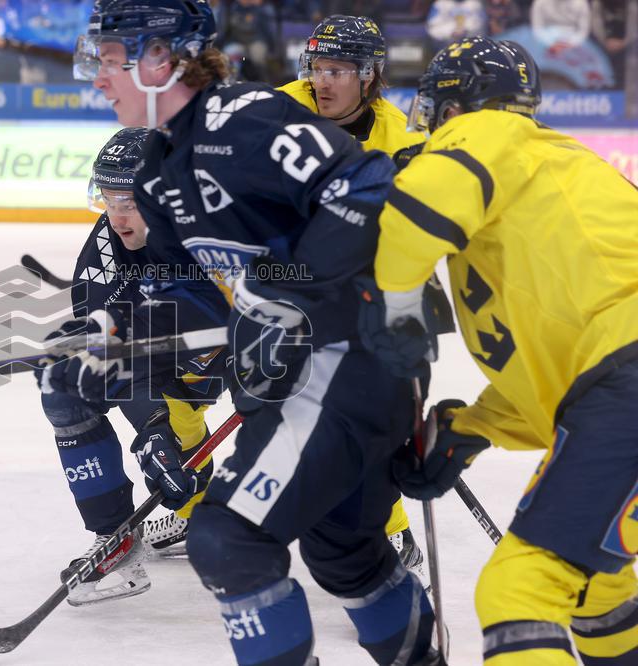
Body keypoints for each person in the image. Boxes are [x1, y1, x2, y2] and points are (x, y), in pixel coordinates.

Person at [75, 1, 443, 663]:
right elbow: (163, 284)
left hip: (354, 353)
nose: (97, 81)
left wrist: (283, 293)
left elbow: (366, 188)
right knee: (343, 554)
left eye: (109, 63)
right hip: (309, 370)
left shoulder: (244, 118)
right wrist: (114, 338)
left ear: (161, 63)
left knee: (228, 537)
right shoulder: (158, 168)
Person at [361, 36, 638, 664]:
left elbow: (410, 216)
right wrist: (469, 427)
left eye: (436, 111)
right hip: (619, 382)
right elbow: (561, 377)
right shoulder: (536, 186)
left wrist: (398, 304)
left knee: (518, 588)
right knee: (596, 587)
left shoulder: (489, 132)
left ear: (458, 110)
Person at [35, 126, 230, 606]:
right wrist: (153, 429)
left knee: (328, 441)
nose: (117, 217)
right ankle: (116, 537)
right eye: (108, 200)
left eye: (130, 202)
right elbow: (115, 354)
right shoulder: (106, 244)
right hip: (171, 350)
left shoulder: (216, 231)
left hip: (252, 344)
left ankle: (381, 533)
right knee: (65, 383)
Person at [277, 14, 431, 587]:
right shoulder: (275, 114)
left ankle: (385, 523)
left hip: (366, 289)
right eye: (317, 67)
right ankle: (198, 506)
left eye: (338, 70)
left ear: (370, 76)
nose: (322, 81)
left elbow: (417, 229)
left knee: (369, 416)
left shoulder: (403, 135)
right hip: (280, 283)